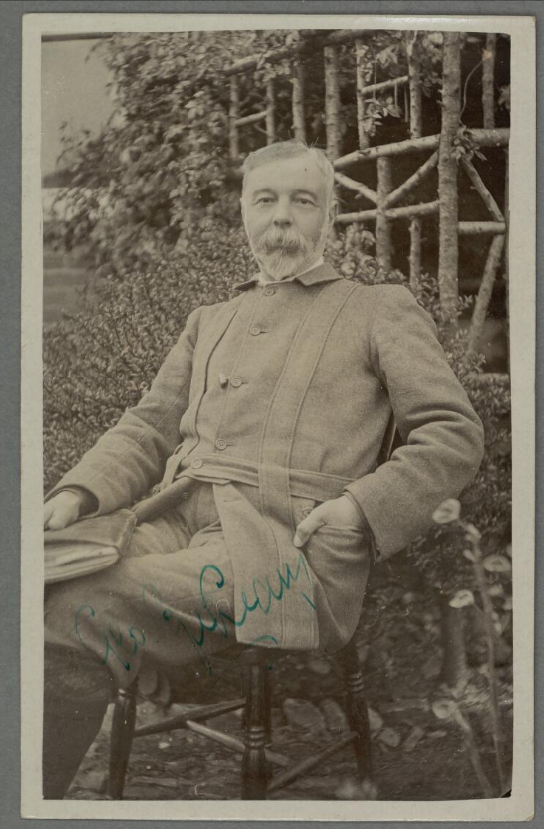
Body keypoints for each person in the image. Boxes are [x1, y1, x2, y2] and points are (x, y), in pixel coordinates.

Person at [42, 140, 485, 798]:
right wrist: (76, 494)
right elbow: (148, 425)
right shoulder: (210, 320)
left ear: (328, 219)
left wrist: (359, 508)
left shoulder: (377, 310)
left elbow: (454, 433)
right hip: (173, 518)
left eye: (302, 201)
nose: (282, 216)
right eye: (265, 200)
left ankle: (37, 800)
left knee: (80, 602)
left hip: (285, 545)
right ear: (245, 214)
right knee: (38, 573)